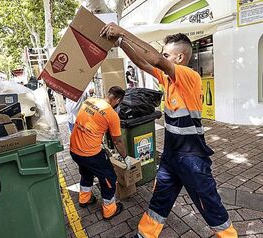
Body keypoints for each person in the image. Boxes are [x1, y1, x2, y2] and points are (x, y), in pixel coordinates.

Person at [100, 24, 238, 238]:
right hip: (172, 156)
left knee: (209, 203)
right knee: (160, 198)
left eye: (166, 54)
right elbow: (142, 62)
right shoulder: (168, 79)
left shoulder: (189, 76)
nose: (161, 56)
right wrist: (120, 42)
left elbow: (154, 59)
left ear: (180, 58)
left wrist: (123, 32)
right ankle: (144, 234)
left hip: (192, 158)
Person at [70, 86, 129, 220]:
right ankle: (109, 210)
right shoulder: (111, 114)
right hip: (90, 154)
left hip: (74, 149)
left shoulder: (89, 101)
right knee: (109, 178)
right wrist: (125, 157)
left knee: (86, 172)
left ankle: (84, 199)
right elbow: (118, 141)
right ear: (117, 100)